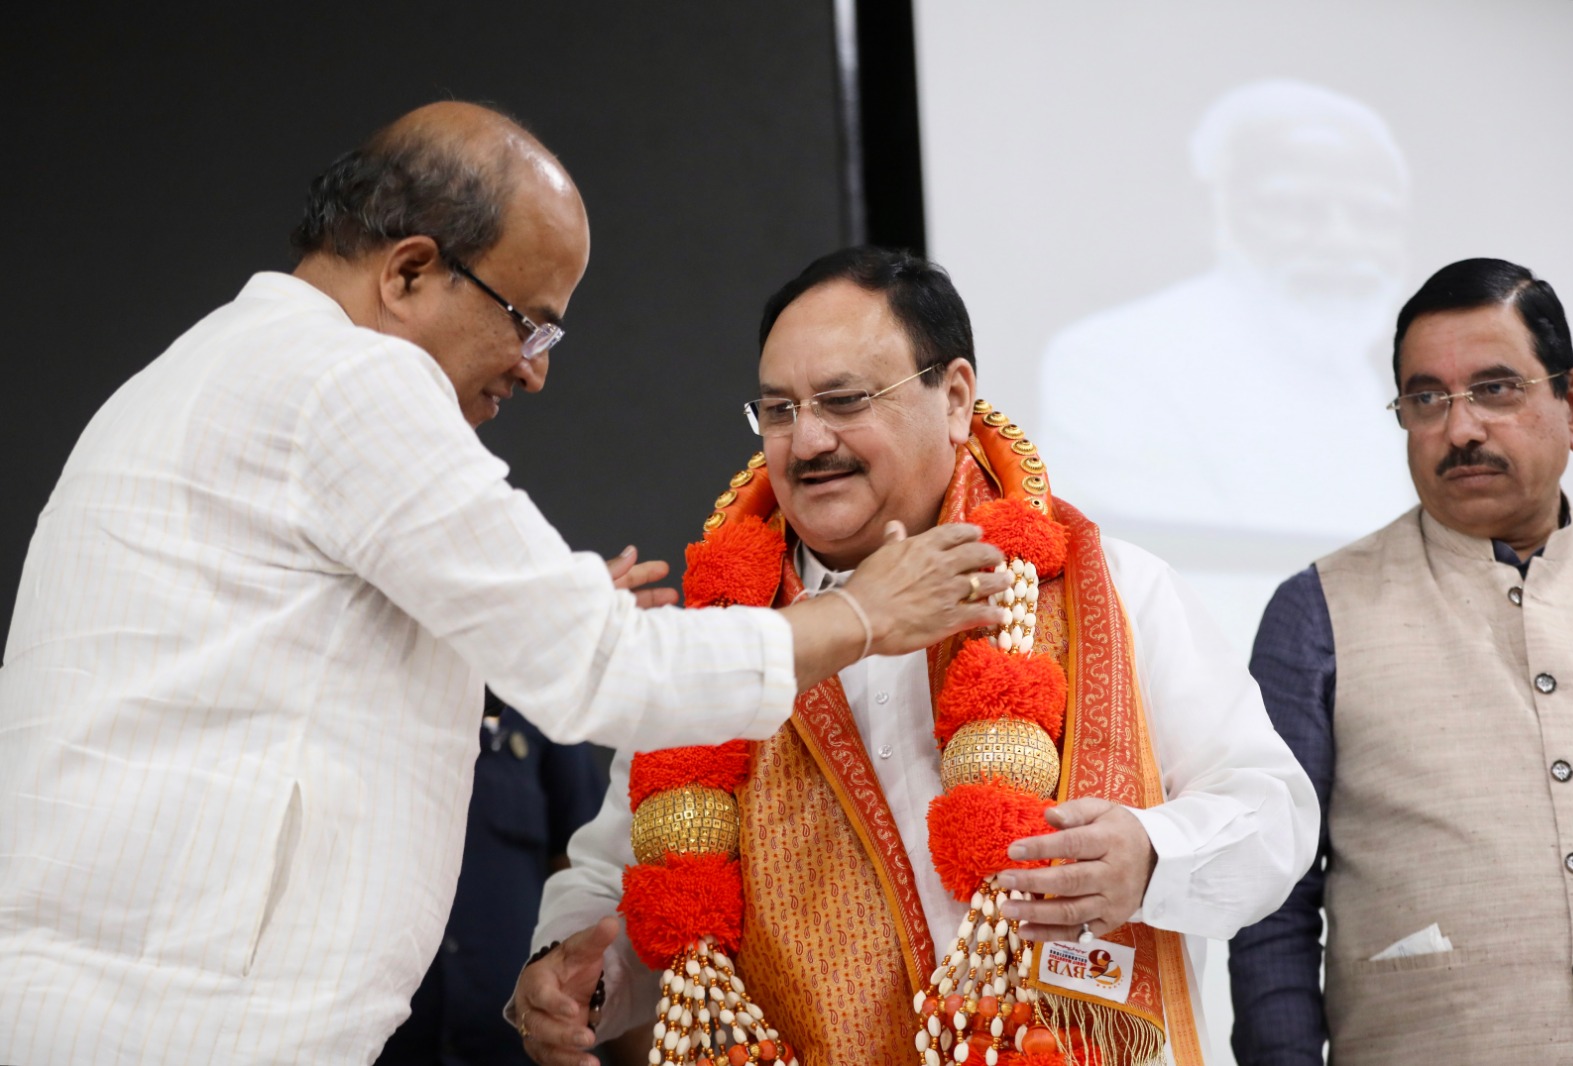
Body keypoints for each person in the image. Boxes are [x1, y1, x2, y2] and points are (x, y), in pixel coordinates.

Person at [0, 105, 1014, 1065]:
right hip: (183, 1020)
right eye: (529, 324)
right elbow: (599, 668)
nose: (533, 372)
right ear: (408, 272)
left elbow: (273, 666)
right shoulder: (351, 380)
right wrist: (861, 614)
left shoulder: (194, 373)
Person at [513, 246, 1319, 1066]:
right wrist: (576, 974)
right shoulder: (727, 643)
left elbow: (1275, 811)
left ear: (957, 397)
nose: (808, 440)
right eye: (780, 410)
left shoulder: (1110, 589)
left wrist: (1151, 855)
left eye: (844, 400)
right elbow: (618, 884)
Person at [1229, 258, 1573, 1066]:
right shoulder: (1317, 611)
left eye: (1496, 389)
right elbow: (1272, 899)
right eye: (1426, 398)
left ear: (1572, 406)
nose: (1460, 429)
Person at [1035, 79, 1417, 648]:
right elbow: (1163, 600)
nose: (1340, 240)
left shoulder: (1399, 382)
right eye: (1293, 207)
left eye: (1371, 215)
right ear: (1211, 209)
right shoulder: (1117, 362)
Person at [375, 693, 607, 1066]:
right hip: (372, 1047)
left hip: (518, 1049)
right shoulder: (363, 697)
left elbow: (594, 882)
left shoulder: (539, 705)